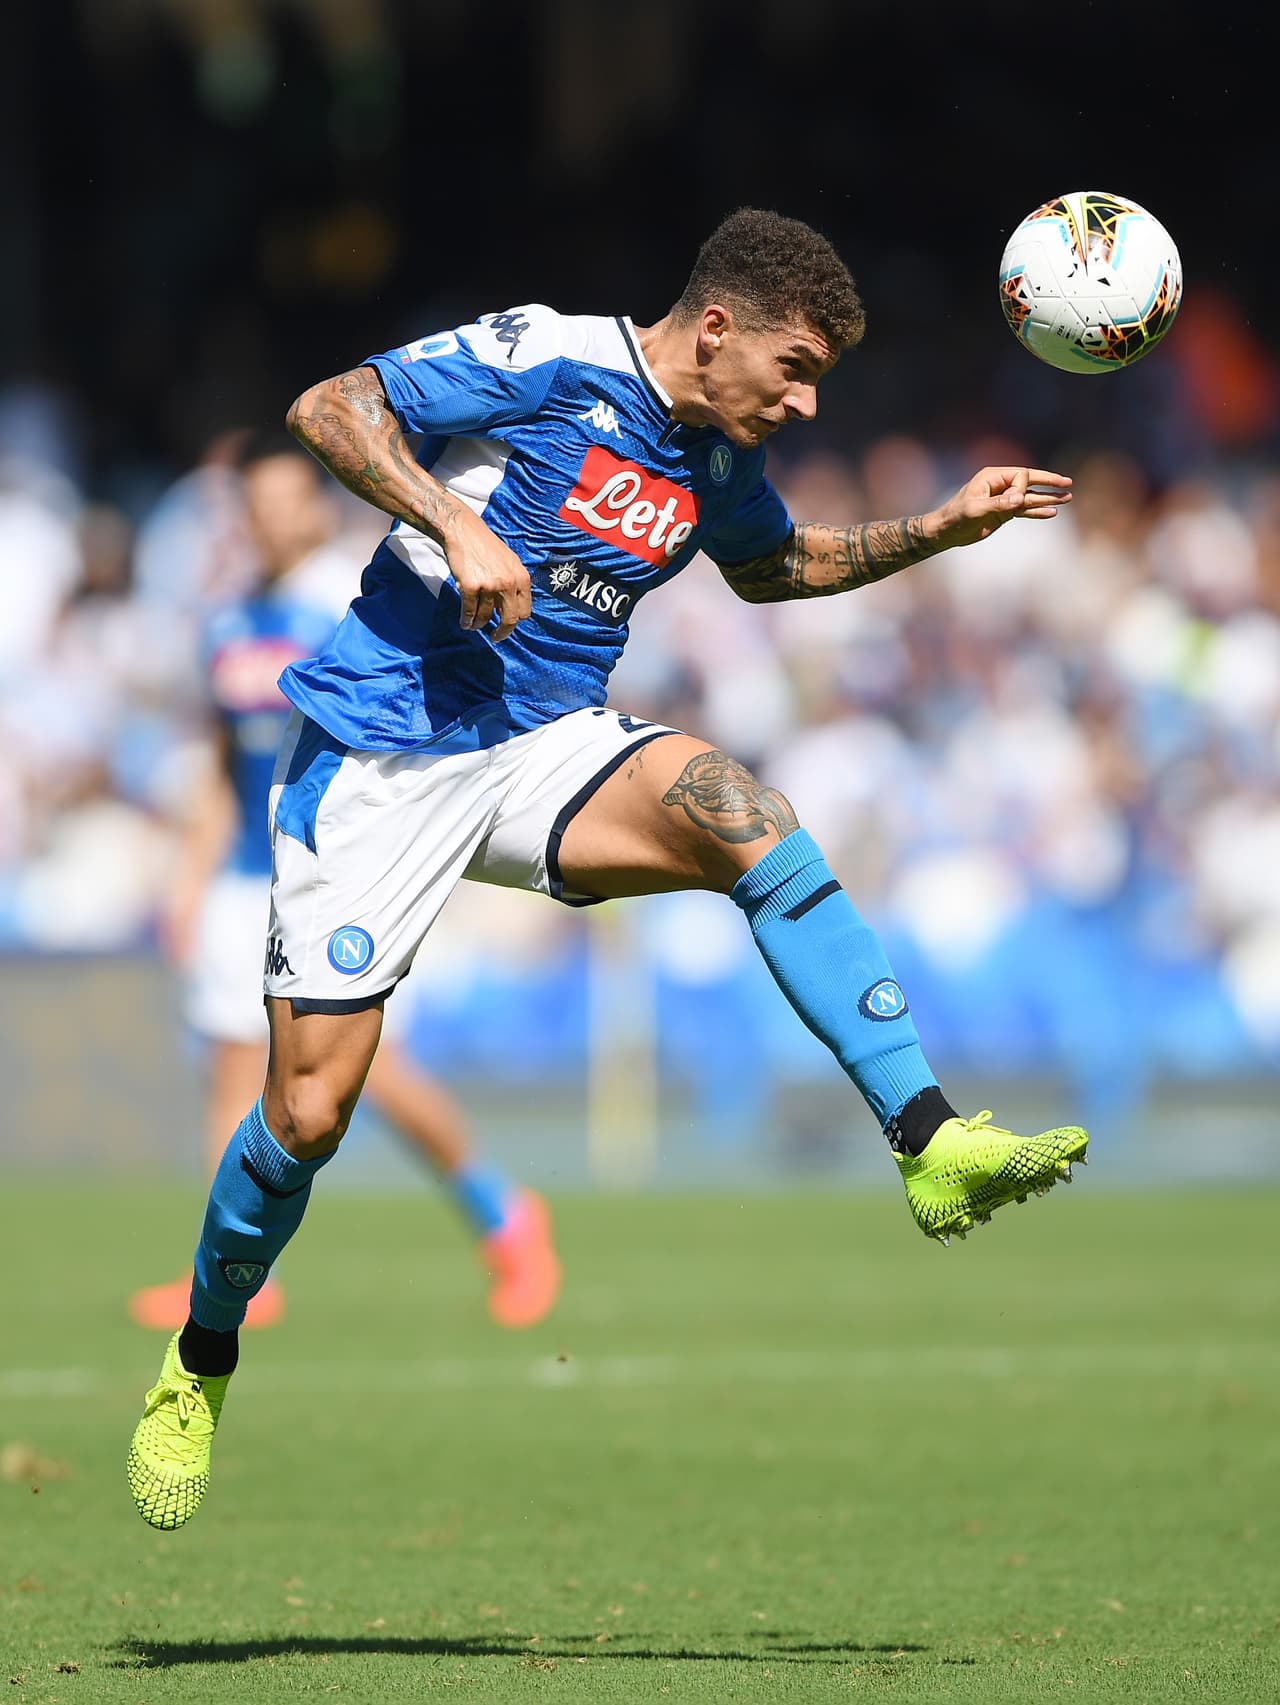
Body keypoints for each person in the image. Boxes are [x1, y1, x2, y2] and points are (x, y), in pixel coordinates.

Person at [128, 207, 1088, 1531]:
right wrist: (451, 524)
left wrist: (936, 530)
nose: (805, 403)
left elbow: (776, 566)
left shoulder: (715, 456)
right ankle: (202, 1355)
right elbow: (330, 406)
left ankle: (931, 1140)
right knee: (307, 1116)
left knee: (748, 812)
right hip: (381, 749)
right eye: (795, 368)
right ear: (715, 328)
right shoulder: (551, 358)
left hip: (545, 747)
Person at [127, 434, 561, 1336]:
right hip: (249, 872)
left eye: (292, 497)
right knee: (231, 1071)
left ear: (317, 505)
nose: (278, 515)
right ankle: (238, 1273)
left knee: (366, 1078)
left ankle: (504, 1215)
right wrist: (189, 880)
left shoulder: (348, 601)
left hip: (338, 861)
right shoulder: (228, 621)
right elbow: (220, 762)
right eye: (260, 502)